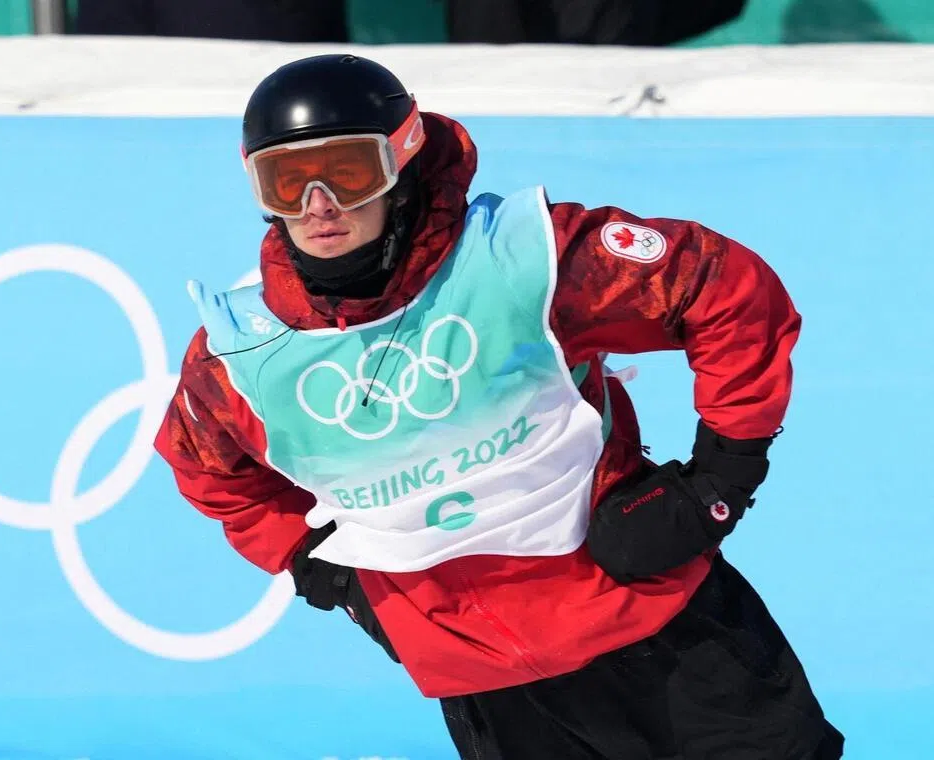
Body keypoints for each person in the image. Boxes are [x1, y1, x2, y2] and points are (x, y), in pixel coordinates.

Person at [153, 53, 844, 759]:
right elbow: (208, 470)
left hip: (664, 636)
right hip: (492, 690)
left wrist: (721, 481)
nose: (319, 204)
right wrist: (315, 565)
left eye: (348, 171)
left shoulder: (526, 260)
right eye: (287, 179)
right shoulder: (241, 358)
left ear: (403, 158)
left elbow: (724, 289)